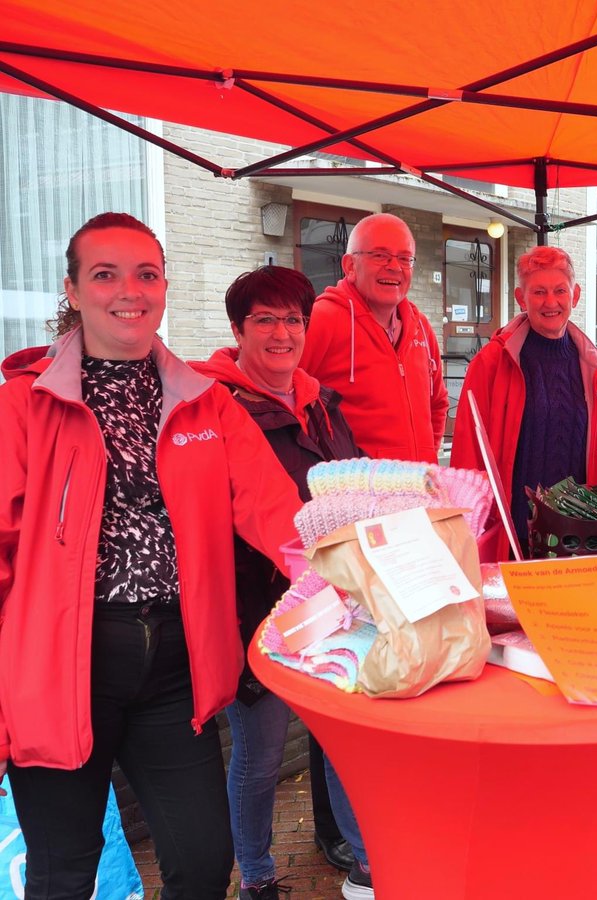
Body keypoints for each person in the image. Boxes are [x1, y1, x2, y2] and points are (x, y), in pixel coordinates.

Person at [0, 213, 302, 899]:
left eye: (145, 273)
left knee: (202, 862)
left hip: (173, 670)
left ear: (164, 285)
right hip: (57, 669)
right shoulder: (23, 404)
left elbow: (279, 514)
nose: (128, 290)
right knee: (64, 873)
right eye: (104, 274)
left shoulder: (206, 404)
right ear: (73, 290)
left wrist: (359, 580)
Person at [191, 266, 364, 898]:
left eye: (292, 319)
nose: (281, 333)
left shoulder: (321, 404)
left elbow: (349, 482)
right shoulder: (214, 407)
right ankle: (258, 877)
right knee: (260, 759)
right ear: (238, 330)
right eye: (264, 319)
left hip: (333, 602)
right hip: (256, 608)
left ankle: (367, 862)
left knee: (344, 741)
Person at [450, 246, 597, 557]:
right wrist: (468, 529)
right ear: (521, 298)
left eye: (559, 291)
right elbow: (467, 457)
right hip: (513, 537)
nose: (550, 302)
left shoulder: (593, 368)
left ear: (574, 296)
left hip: (576, 536)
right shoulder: (492, 363)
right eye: (539, 292)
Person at [299, 212, 448, 462]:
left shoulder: (420, 326)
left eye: (405, 258)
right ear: (349, 266)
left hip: (418, 489)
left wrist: (426, 460)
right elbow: (288, 403)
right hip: (355, 493)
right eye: (380, 255)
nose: (394, 266)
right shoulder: (322, 319)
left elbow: (438, 403)